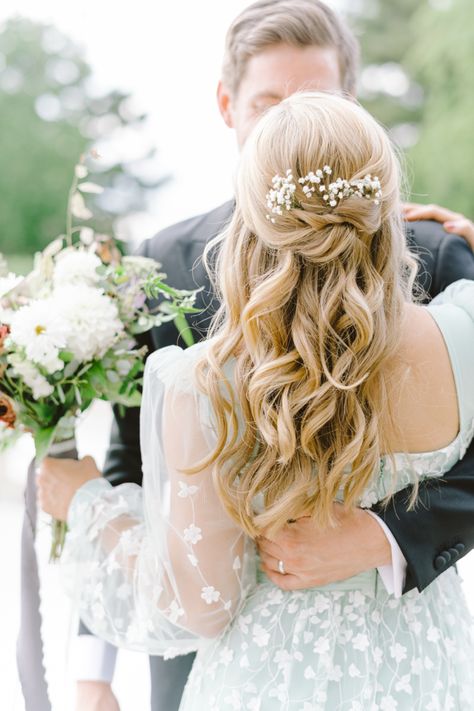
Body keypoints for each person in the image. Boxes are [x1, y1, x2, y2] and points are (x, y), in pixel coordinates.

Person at [38, 2, 474, 710]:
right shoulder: (160, 261)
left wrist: (389, 536)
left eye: (315, 105)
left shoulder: (438, 252)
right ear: (228, 104)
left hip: (380, 638)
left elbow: (180, 588)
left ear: (349, 109)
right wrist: (93, 667)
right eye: (271, 104)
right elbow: (135, 464)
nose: (293, 128)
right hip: (238, 667)